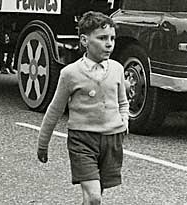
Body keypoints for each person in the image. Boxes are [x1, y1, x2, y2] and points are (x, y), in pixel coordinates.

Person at [37, 11, 128, 205]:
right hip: (82, 140)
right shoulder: (70, 73)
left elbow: (123, 102)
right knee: (94, 196)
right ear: (85, 41)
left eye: (112, 38)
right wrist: (43, 144)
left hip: (112, 139)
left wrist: (124, 121)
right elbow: (54, 110)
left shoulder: (118, 69)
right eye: (102, 38)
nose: (109, 43)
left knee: (95, 197)